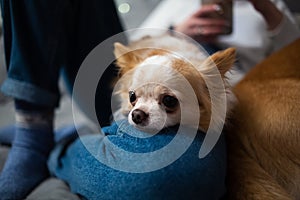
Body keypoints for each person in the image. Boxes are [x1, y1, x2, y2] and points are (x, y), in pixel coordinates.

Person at [0, 0, 124, 199]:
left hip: (119, 95)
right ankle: (33, 127)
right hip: (122, 72)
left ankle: (42, 139)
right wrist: (170, 32)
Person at [134, 0, 300, 84]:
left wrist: (266, 8)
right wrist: (176, 33)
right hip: (183, 83)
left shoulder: (271, 6)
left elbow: (294, 57)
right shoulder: (177, 4)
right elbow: (134, 49)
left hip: (251, 90)